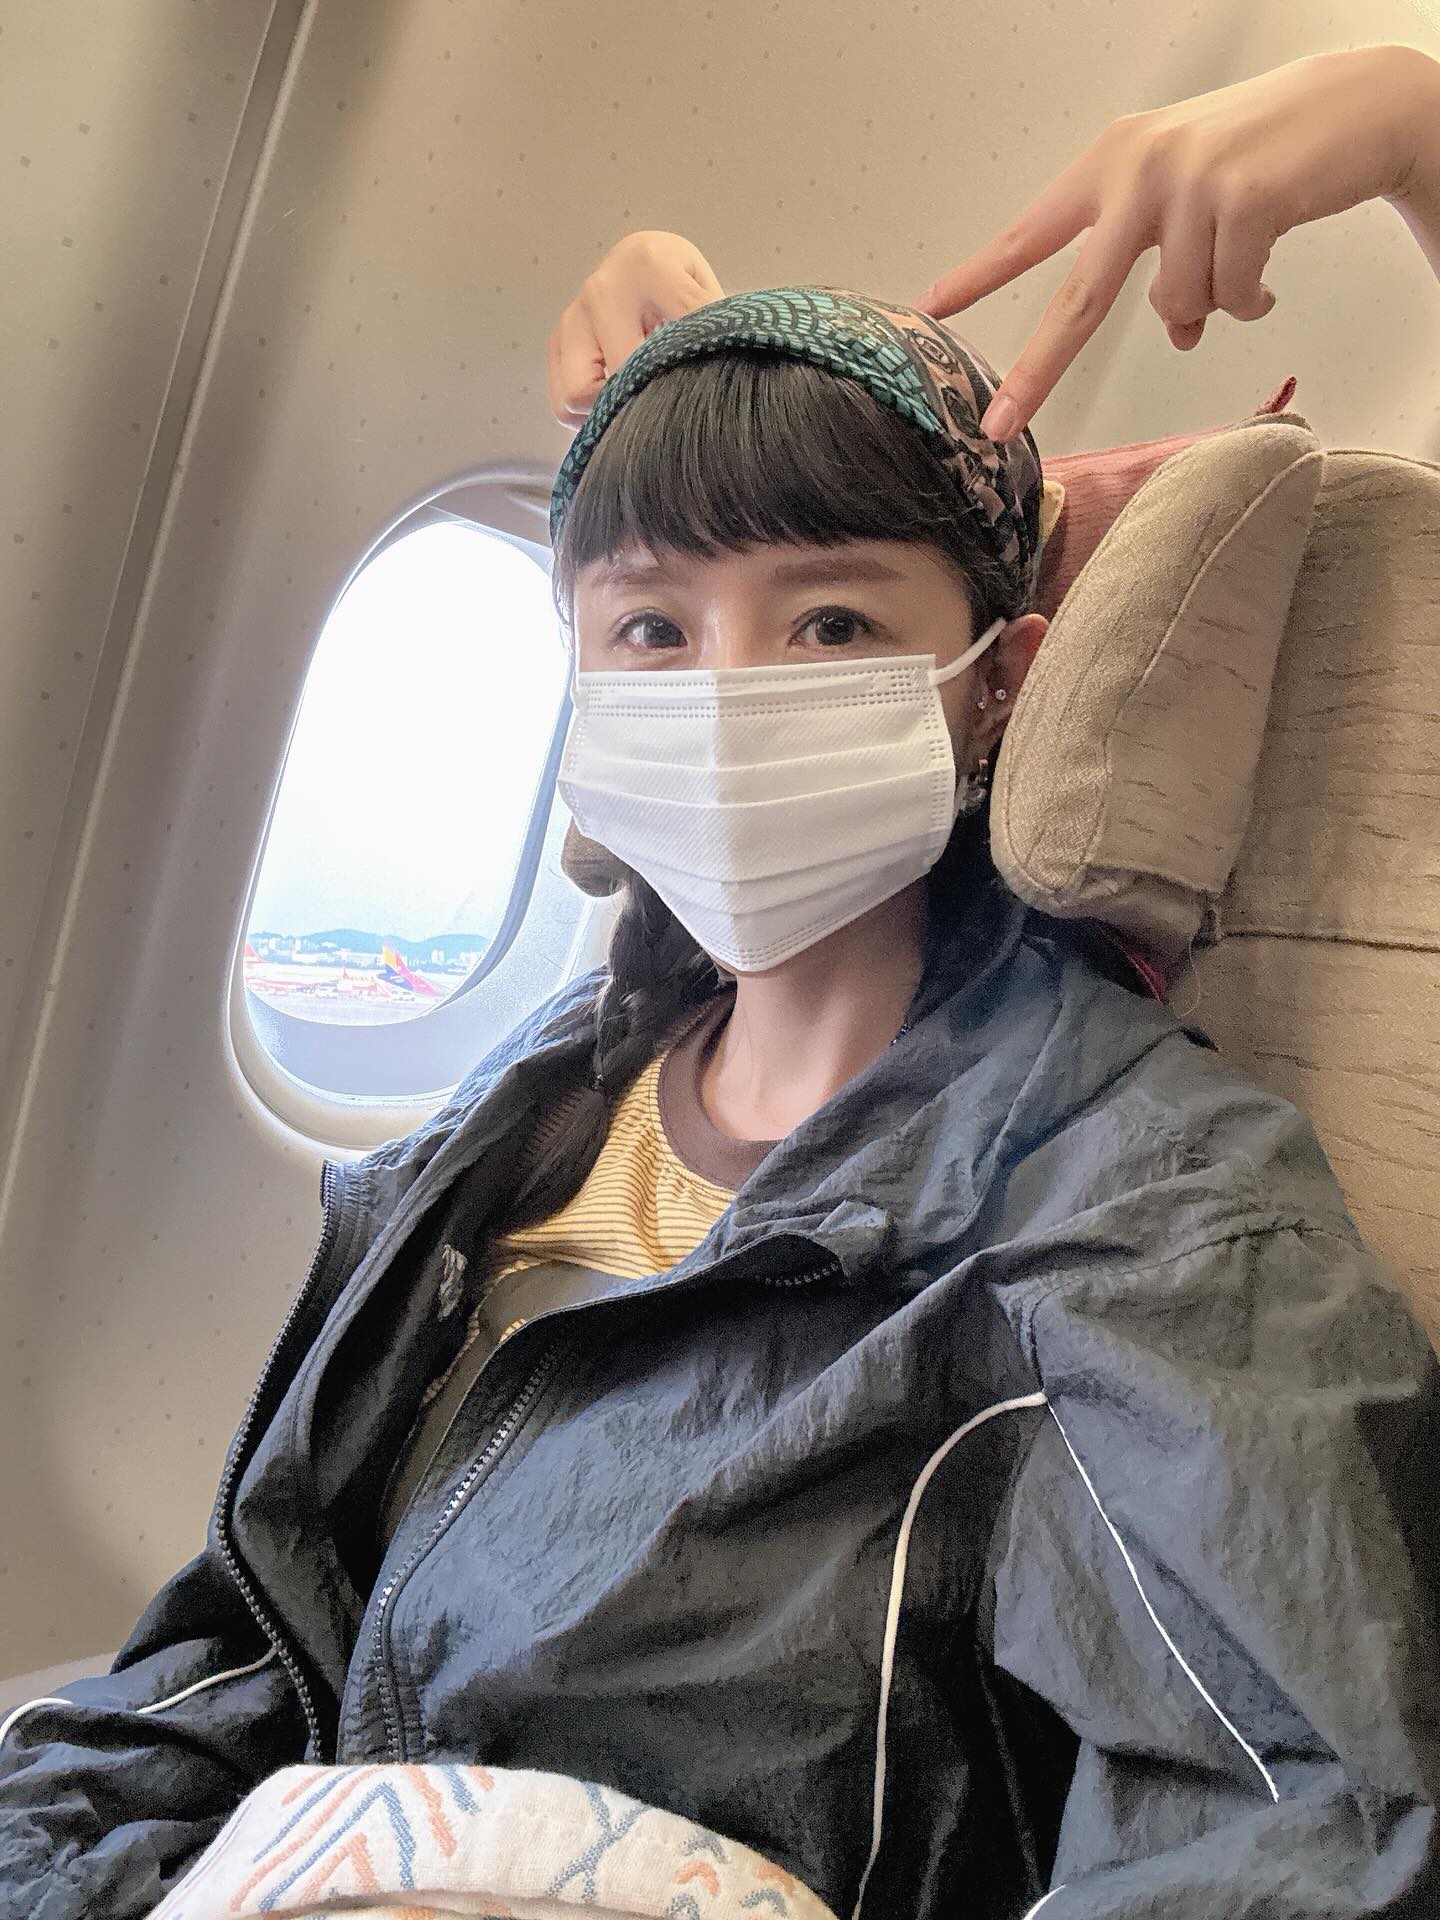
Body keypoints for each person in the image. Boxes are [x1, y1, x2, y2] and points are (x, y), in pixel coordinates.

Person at [4, 40, 1440, 1920]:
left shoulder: (1144, 1204)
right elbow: (241, 1655)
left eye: (831, 622)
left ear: (995, 688)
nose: (727, 699)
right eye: (652, 627)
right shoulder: (524, 1112)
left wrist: (1419, 126)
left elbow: (1306, 1831)